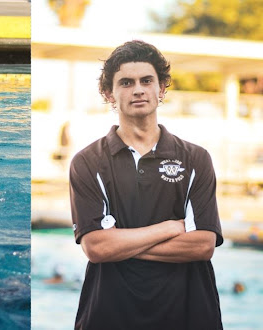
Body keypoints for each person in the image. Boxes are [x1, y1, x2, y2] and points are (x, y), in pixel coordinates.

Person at [69, 40, 223, 329]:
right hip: (109, 315)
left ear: (161, 88)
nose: (138, 89)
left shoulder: (195, 159)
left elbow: (203, 245)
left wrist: (120, 243)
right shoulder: (88, 162)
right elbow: (97, 248)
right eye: (126, 82)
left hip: (188, 314)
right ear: (109, 93)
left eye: (146, 80)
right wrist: (168, 228)